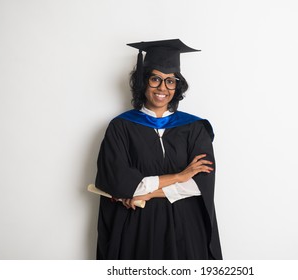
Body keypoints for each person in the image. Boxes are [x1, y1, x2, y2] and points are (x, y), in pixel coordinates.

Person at [94, 39, 222, 260]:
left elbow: (199, 186)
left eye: (170, 81)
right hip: (138, 227)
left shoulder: (194, 128)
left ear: (177, 86)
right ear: (143, 82)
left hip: (186, 228)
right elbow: (119, 182)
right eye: (155, 79)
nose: (163, 88)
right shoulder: (121, 127)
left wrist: (147, 192)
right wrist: (179, 176)